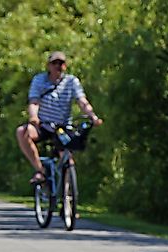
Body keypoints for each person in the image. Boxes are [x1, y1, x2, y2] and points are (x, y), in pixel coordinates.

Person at [16, 51, 103, 185]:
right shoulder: (39, 80)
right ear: (48, 65)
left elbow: (82, 101)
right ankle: (40, 171)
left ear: (65, 66)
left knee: (67, 158)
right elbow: (34, 101)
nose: (57, 66)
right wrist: (33, 116)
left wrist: (93, 116)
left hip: (62, 127)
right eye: (54, 63)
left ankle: (68, 192)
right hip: (44, 125)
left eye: (61, 63)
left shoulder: (72, 81)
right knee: (22, 132)